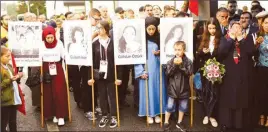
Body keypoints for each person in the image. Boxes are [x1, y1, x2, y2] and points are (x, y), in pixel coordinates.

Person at [218, 20, 255, 132]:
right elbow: (221, 53)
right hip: (229, 73)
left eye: (239, 28)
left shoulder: (247, 39)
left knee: (241, 98)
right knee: (227, 98)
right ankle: (226, 123)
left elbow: (251, 52)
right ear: (230, 29)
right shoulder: (225, 39)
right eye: (234, 28)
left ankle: (240, 124)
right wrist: (231, 39)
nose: (237, 30)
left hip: (243, 73)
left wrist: (240, 39)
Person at [134, 17, 166, 124]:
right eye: (149, 29)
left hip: (158, 69)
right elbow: (136, 57)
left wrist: (161, 52)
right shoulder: (140, 41)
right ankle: (148, 114)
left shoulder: (160, 38)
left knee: (157, 90)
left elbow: (167, 53)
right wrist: (140, 71)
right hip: (146, 69)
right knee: (147, 91)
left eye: (153, 29)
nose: (151, 31)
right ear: (145, 29)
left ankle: (156, 113)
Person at [92, 20, 122, 128]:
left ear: (106, 29)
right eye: (97, 28)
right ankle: (104, 115)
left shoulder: (113, 43)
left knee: (112, 95)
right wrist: (91, 76)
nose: (98, 30)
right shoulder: (94, 43)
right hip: (99, 74)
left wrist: (119, 77)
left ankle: (114, 115)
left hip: (111, 73)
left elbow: (118, 62)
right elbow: (91, 62)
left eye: (100, 28)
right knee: (102, 95)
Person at [40, 26, 68, 126]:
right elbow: (38, 57)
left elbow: (64, 55)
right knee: (48, 92)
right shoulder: (41, 45)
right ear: (44, 37)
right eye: (48, 38)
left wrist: (68, 57)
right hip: (46, 68)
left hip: (57, 68)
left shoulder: (59, 43)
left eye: (52, 37)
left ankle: (60, 116)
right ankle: (51, 114)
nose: (50, 40)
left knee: (59, 91)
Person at [163, 41, 193, 132]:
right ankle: (166, 122)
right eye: (175, 50)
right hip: (173, 88)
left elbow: (189, 73)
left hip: (184, 88)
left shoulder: (188, 61)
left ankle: (179, 122)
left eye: (179, 50)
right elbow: (168, 73)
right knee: (169, 106)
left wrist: (181, 65)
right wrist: (175, 66)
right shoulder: (170, 61)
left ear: (184, 50)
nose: (177, 52)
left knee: (183, 106)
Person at [197, 18, 221, 128]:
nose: (212, 30)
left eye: (214, 28)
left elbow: (223, 54)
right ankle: (206, 115)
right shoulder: (202, 38)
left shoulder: (220, 39)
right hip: (205, 69)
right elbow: (197, 54)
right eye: (210, 28)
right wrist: (202, 52)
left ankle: (213, 116)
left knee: (215, 93)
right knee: (205, 92)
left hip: (217, 69)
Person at [1, 46, 24, 132]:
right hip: (4, 101)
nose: (9, 58)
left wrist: (18, 76)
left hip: (13, 99)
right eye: (7, 56)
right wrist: (10, 80)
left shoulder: (9, 66)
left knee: (13, 122)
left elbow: (14, 78)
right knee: (3, 124)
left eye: (9, 55)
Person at [255, 14, 268, 128]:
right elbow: (253, 53)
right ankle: (261, 116)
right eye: (266, 23)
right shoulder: (258, 36)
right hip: (261, 69)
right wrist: (256, 44)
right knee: (262, 93)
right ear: (262, 24)